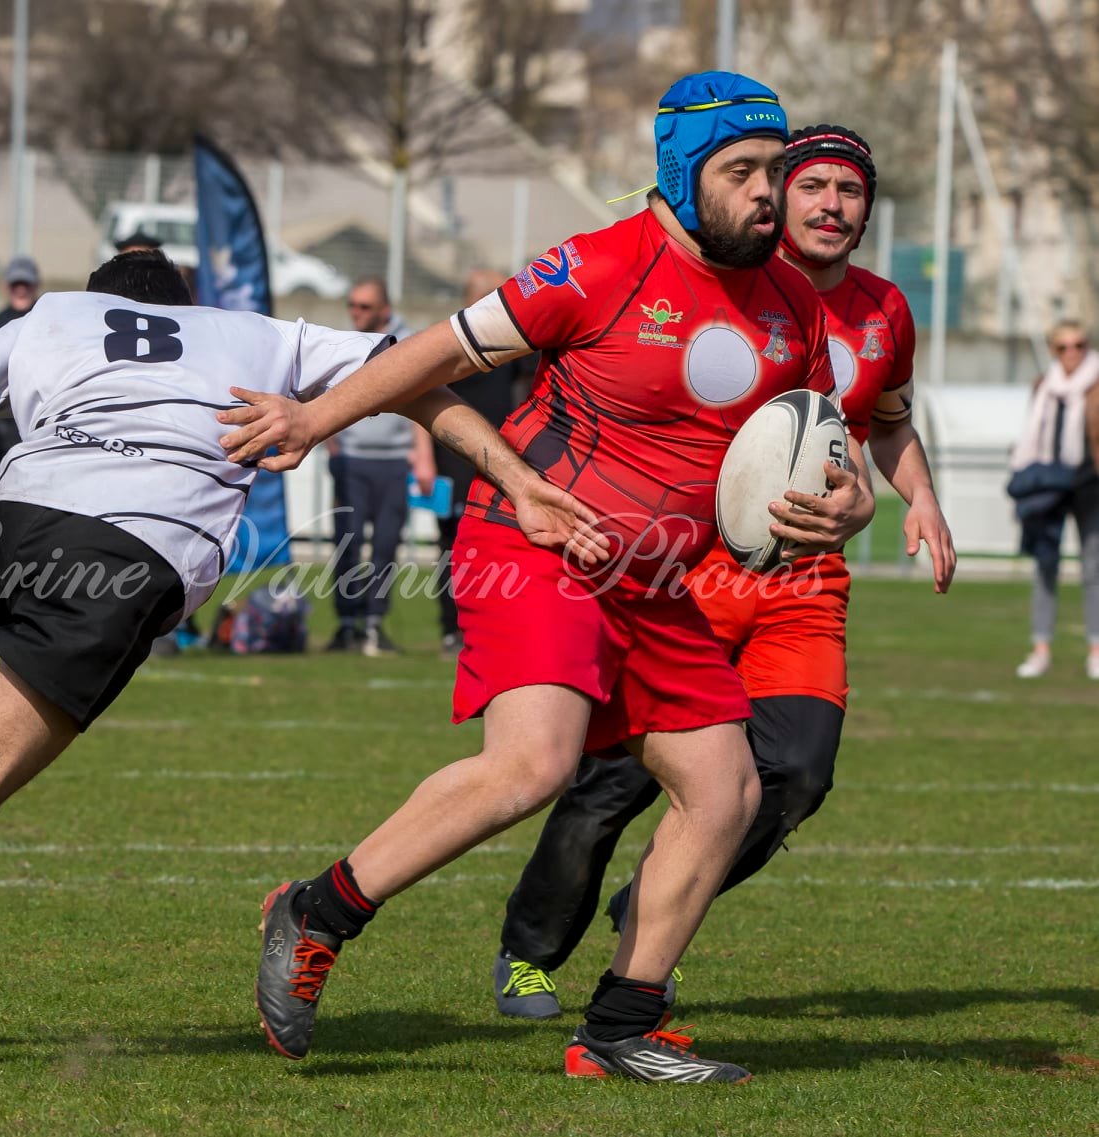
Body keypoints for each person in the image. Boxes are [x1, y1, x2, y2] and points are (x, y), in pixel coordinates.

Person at [0, 249, 575, 1074]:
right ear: (188, 306)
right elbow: (416, 370)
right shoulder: (259, 332)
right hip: (132, 553)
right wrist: (515, 475)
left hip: (22, 525)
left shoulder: (49, 317)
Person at [224, 72, 879, 1083]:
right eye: (742, 171)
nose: (769, 193)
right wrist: (313, 421)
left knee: (728, 790)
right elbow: (430, 353)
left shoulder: (793, 302)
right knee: (534, 765)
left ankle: (620, 1024)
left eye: (773, 171)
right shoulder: (597, 265)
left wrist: (852, 505)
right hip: (533, 543)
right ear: (680, 171)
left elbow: (830, 452)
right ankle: (317, 912)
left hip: (657, 580)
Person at [490, 123, 958, 1028]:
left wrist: (921, 500)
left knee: (795, 774)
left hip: (802, 586)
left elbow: (885, 423)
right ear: (775, 196)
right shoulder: (731, 286)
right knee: (609, 782)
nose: (829, 205)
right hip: (692, 571)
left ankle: (649, 914)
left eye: (848, 191)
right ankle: (529, 950)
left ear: (866, 208)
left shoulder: (884, 311)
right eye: (810, 185)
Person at [325, 277, 436, 655]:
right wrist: (332, 445)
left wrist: (423, 456)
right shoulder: (343, 344)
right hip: (352, 460)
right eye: (352, 305)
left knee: (386, 546)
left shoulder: (408, 343)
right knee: (348, 543)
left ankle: (374, 624)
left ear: (384, 310)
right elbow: (322, 392)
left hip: (393, 461)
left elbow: (423, 401)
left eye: (364, 307)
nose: (356, 313)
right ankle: (346, 624)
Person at [434, 270, 525, 654]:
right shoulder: (449, 342)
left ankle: (492, 626)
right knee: (451, 543)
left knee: (499, 543)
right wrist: (422, 460)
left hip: (501, 459)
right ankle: (451, 628)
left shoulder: (517, 344)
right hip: (451, 460)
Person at [1010, 319, 1099, 680]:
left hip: (1090, 484)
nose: (1072, 353)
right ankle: (1041, 648)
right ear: (1052, 350)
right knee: (1045, 565)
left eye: (1079, 345)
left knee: (1093, 568)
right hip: (1049, 483)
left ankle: (1095, 649)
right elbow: (1032, 431)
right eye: (1063, 347)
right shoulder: (1044, 385)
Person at [0, 255, 42, 511]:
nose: (21, 290)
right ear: (6, 286)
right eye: (16, 284)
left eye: (26, 284)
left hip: (39, 430)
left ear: (36, 285)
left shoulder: (50, 323)